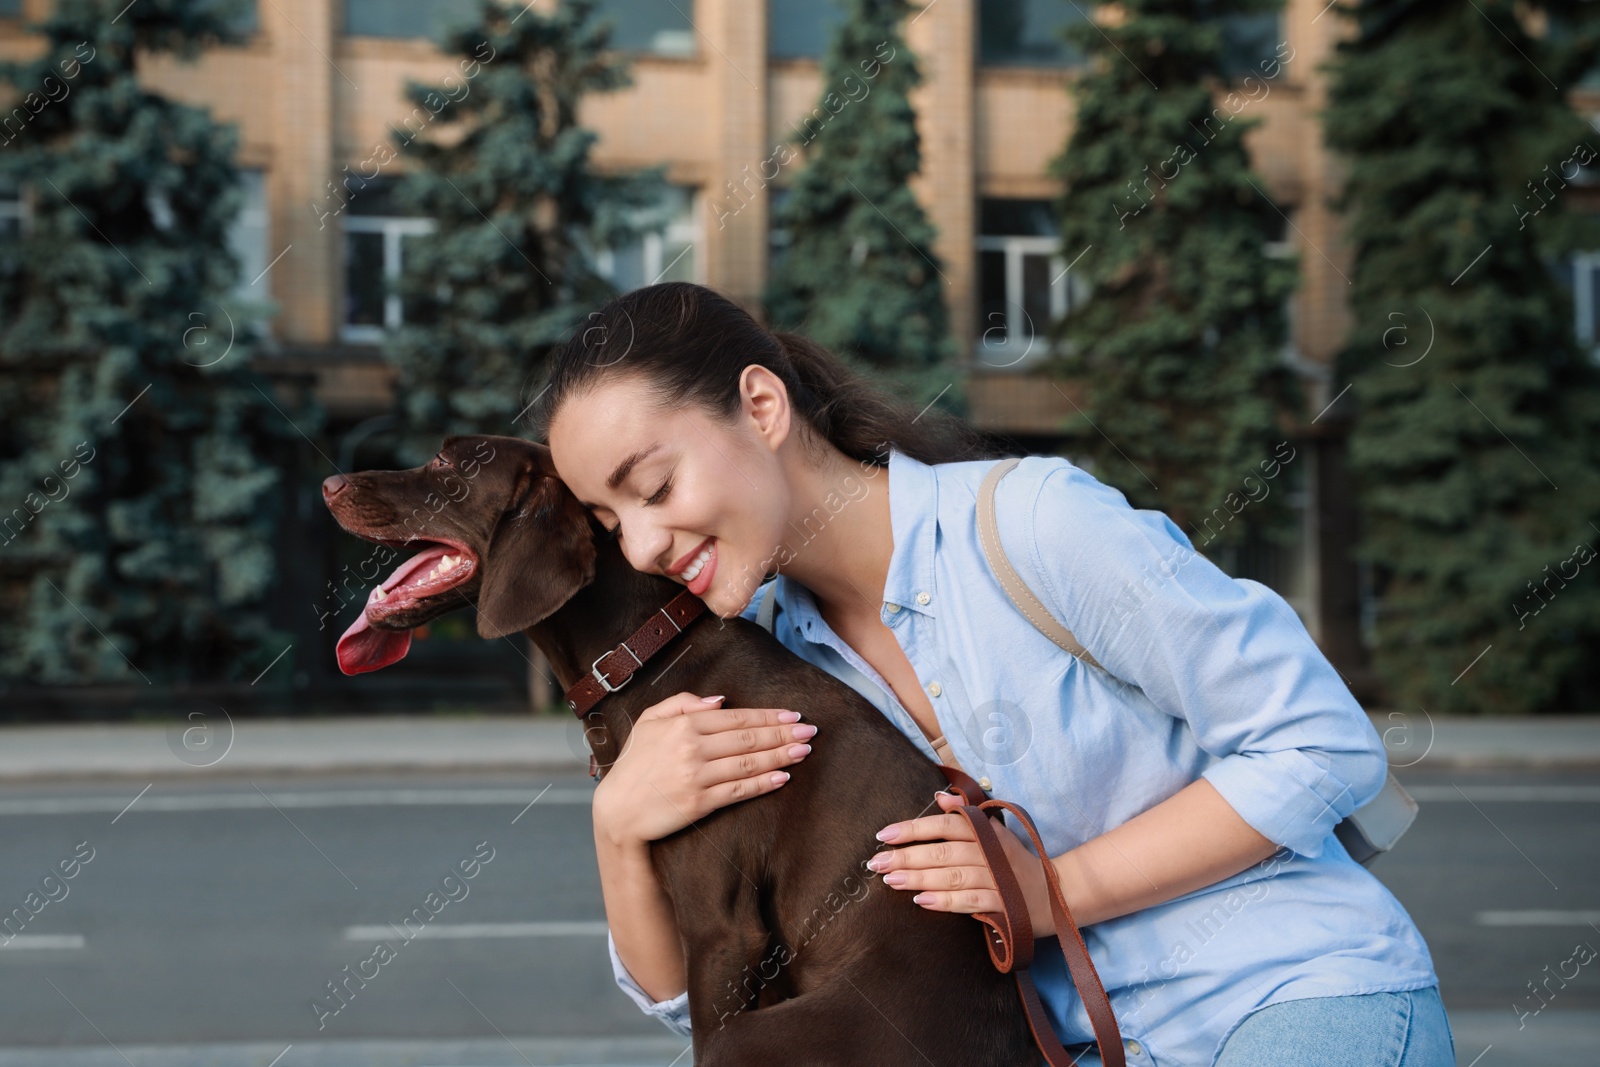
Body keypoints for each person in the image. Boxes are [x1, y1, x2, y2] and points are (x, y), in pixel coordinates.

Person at [531, 281, 1454, 1067]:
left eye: (652, 488)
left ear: (762, 406)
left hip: (1287, 998)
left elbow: (1320, 744)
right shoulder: (768, 660)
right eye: (611, 524)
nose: (645, 544)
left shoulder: (1036, 527)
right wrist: (618, 828)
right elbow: (711, 1007)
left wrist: (1053, 889)